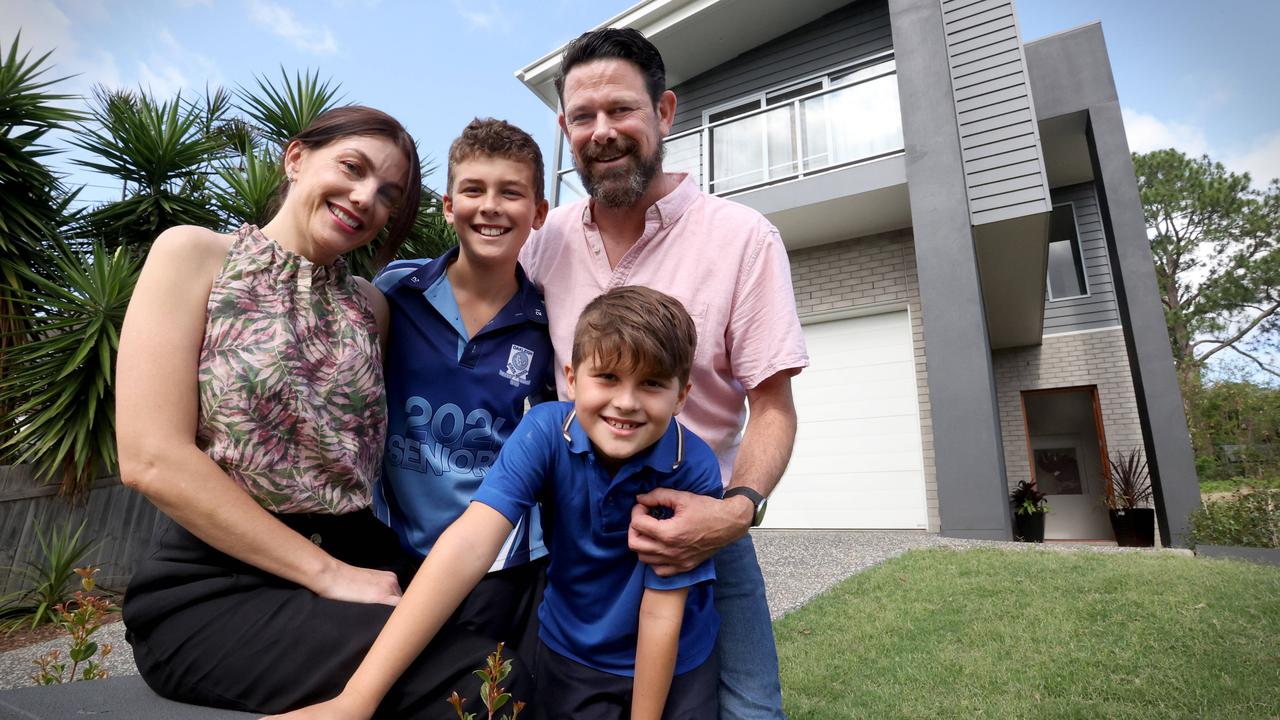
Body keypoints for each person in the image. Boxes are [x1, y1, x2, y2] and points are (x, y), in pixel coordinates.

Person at [116, 105, 515, 717]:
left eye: (387, 194)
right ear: (296, 157)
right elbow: (151, 458)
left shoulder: (369, 306)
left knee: (525, 659)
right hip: (218, 586)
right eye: (351, 168)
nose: (364, 198)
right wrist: (328, 574)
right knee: (483, 688)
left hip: (364, 560)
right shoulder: (195, 255)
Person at [518, 28, 809, 719]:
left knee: (747, 709)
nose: (602, 131)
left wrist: (735, 511)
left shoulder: (741, 239)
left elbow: (773, 407)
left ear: (665, 112)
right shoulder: (544, 241)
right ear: (565, 128)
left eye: (621, 110)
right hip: (577, 528)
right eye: (583, 117)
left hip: (696, 519)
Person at [269, 286, 722, 720]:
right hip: (571, 652)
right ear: (571, 378)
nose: (626, 402)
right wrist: (355, 701)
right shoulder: (546, 432)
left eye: (652, 384)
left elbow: (662, 610)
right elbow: (470, 541)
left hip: (676, 659)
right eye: (607, 377)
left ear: (682, 394)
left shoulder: (691, 465)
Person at [372, 117, 553, 661]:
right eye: (473, 190)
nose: (490, 206)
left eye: (511, 193)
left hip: (500, 560)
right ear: (448, 206)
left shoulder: (549, 323)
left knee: (479, 696)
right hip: (391, 545)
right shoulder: (394, 293)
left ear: (539, 213)